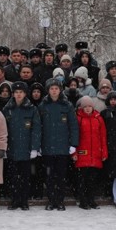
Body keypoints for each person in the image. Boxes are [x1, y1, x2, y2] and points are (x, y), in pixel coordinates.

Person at [39, 79, 78, 211]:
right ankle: (51, 200)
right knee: (49, 176)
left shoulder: (67, 105)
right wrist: (38, 144)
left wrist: (73, 144)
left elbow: (73, 126)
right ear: (48, 90)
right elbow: (39, 127)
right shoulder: (43, 106)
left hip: (63, 148)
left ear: (60, 90)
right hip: (47, 147)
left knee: (61, 176)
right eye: (51, 88)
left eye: (56, 88)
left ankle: (60, 201)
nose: (54, 91)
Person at [2, 82, 41, 211]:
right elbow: (3, 130)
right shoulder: (7, 109)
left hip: (26, 149)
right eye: (16, 92)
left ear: (25, 94)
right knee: (13, 177)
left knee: (25, 177)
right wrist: (4, 147)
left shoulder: (32, 109)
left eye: (21, 92)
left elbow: (36, 129)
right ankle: (14, 200)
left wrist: (35, 148)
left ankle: (24, 201)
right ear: (13, 94)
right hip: (12, 148)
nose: (18, 95)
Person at [74, 96, 107, 210]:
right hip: (83, 153)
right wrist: (74, 152)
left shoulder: (98, 118)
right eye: (85, 106)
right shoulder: (78, 119)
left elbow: (103, 136)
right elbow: (75, 137)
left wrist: (104, 152)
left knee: (92, 180)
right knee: (83, 179)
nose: (87, 108)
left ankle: (91, 200)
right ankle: (83, 201)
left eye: (89, 106)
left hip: (95, 154)